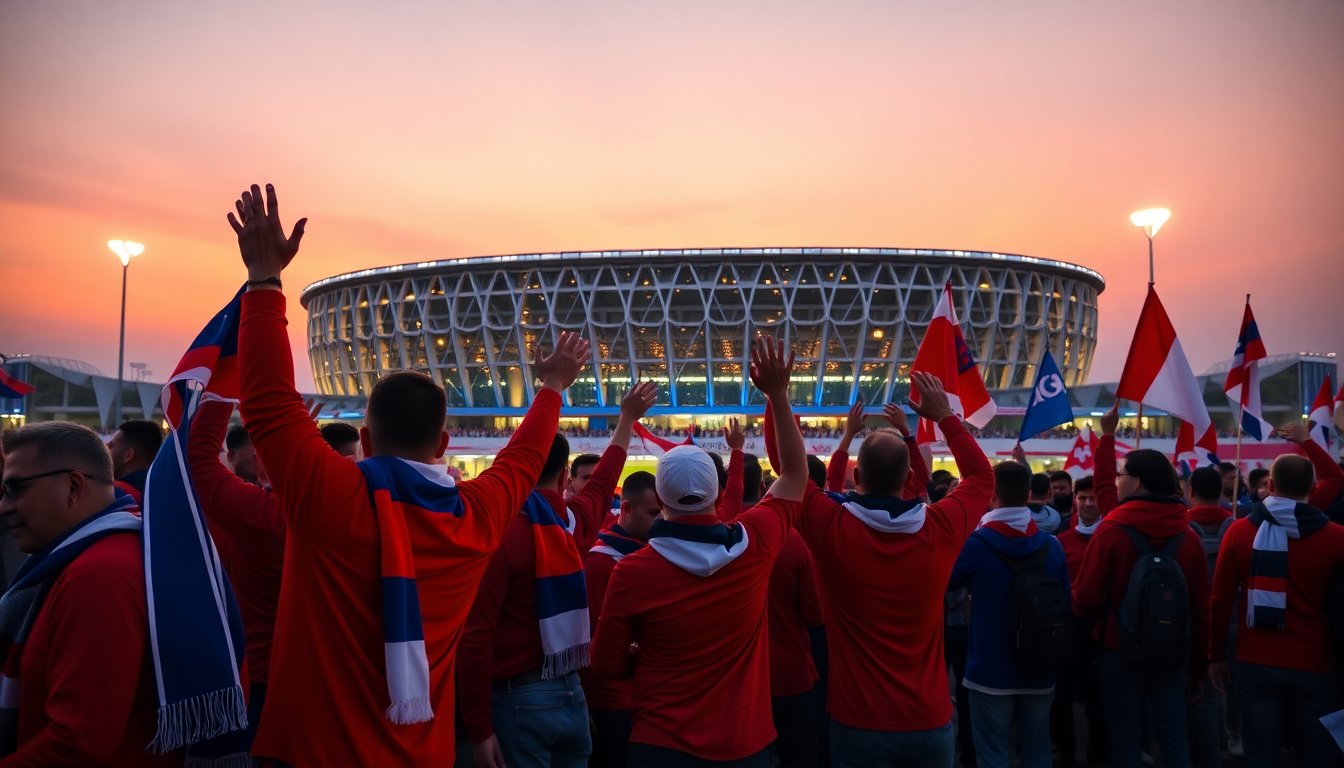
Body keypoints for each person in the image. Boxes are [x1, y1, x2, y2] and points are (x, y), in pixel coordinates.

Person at [227, 183, 591, 765]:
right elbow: (523, 460)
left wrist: (265, 280)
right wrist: (551, 386)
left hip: (311, 753)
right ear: (444, 444)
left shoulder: (330, 495)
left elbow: (267, 403)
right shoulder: (474, 516)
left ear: (366, 440)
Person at [588, 336, 808, 766]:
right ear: (719, 493)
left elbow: (605, 664)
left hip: (660, 744)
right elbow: (796, 473)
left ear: (660, 500)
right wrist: (778, 394)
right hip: (745, 744)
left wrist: (642, 655)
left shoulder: (631, 571)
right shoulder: (755, 542)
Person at [795, 372, 994, 768]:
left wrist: (778, 397)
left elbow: (793, 472)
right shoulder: (940, 526)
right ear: (909, 479)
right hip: (929, 721)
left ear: (857, 478)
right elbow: (982, 477)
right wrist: (944, 417)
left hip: (858, 723)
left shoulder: (833, 527)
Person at [459, 381, 657, 768]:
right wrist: (626, 419)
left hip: (519, 697)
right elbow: (605, 477)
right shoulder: (574, 523)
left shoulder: (500, 531)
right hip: (572, 691)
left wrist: (478, 728)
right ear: (565, 476)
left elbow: (477, 635)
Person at [0, 422, 178, 765]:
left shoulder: (96, 579)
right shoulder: (99, 553)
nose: (4, 506)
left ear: (73, 485)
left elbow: (77, 744)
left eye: (15, 489)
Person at [1072, 405, 1208, 768]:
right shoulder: (1189, 537)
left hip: (1119, 650)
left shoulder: (1112, 531)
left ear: (1138, 482)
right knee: (1174, 736)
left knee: (1125, 739)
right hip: (1174, 652)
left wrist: (1107, 437)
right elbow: (1200, 610)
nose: (1115, 480)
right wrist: (1198, 667)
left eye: (1121, 475)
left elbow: (1085, 599)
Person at [1208, 446, 1344, 767]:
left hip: (1257, 659)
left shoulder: (1240, 531)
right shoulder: (1337, 537)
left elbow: (1220, 600)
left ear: (1269, 485)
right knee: (1318, 754)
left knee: (1260, 753)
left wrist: (1215, 656)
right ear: (1312, 488)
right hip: (1317, 661)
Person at [948, 460, 1070, 768]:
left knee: (993, 757)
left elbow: (944, 584)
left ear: (991, 496)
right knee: (1038, 753)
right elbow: (1066, 602)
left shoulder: (975, 545)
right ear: (1028, 495)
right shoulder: (1053, 546)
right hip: (1040, 666)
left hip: (989, 670)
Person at [721, 422, 824, 768]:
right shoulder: (791, 539)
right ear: (764, 486)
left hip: (734, 684)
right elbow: (814, 614)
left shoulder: (716, 536)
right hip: (789, 677)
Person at [186, 400, 286, 740]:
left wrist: (221, 394)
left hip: (255, 670)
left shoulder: (262, 516)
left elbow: (198, 457)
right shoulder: (348, 507)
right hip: (322, 672)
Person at [583, 471, 661, 768]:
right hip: (610, 699)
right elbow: (592, 637)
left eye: (663, 512)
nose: (660, 520)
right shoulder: (600, 562)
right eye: (652, 513)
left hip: (641, 696)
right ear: (626, 508)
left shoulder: (648, 553)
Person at [1050, 476, 1107, 767]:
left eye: (1093, 498)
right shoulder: (1061, 541)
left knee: (1098, 700)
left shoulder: (1111, 538)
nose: (1087, 503)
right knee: (1062, 696)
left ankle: (1098, 754)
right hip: (1068, 631)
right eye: (1082, 498)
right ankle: (1065, 749)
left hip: (1101, 632)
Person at [1184, 466, 1231, 768]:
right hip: (1229, 619)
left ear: (1190, 492)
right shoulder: (1237, 526)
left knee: (1192, 692)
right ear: (1222, 491)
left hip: (1191, 619)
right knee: (1222, 688)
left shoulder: (1179, 528)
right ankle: (1225, 740)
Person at [107, 419, 162, 501]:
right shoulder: (164, 491)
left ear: (128, 455)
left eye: (110, 446)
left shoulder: (113, 495)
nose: (105, 450)